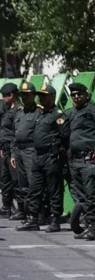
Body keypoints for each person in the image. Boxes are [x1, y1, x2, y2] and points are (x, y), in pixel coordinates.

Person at [63, 83, 95, 240]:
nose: (76, 97)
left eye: (79, 94)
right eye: (74, 95)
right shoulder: (71, 113)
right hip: (74, 160)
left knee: (92, 194)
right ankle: (87, 225)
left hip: (89, 158)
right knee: (80, 196)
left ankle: (93, 228)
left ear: (86, 94)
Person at [16, 84, 65, 232]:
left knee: (53, 189)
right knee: (34, 189)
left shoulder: (58, 114)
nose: (41, 98)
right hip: (38, 155)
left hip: (51, 156)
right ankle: (33, 219)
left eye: (44, 96)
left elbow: (64, 136)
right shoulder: (41, 113)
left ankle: (55, 220)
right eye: (40, 96)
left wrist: (59, 155)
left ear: (52, 97)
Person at [10, 82, 41, 222]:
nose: (24, 97)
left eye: (27, 95)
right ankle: (24, 212)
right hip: (18, 151)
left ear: (33, 96)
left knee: (33, 183)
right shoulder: (19, 113)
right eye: (22, 95)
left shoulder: (39, 112)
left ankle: (36, 214)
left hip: (31, 150)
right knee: (22, 184)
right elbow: (13, 134)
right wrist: (12, 153)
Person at [0, 83, 19, 217]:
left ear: (12, 95)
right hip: (3, 149)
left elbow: (16, 132)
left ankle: (21, 208)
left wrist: (13, 152)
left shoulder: (19, 110)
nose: (3, 98)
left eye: (5, 96)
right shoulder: (4, 109)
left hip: (14, 149)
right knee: (4, 179)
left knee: (16, 179)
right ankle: (7, 206)